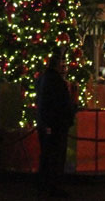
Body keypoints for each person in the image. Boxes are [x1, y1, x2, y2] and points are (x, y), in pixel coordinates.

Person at [35, 49, 75, 197]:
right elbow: (63, 103)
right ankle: (54, 186)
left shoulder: (42, 78)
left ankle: (43, 184)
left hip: (46, 122)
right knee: (56, 155)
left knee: (46, 154)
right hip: (57, 123)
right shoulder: (57, 81)